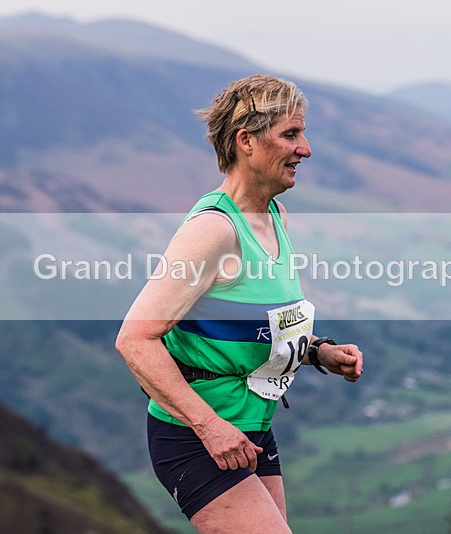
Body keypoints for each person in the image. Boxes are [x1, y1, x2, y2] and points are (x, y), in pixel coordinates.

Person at [115, 74, 363, 533]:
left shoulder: (275, 216)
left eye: (303, 134)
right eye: (290, 134)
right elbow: (135, 339)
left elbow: (251, 326)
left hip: (252, 428)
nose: (305, 149)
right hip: (199, 437)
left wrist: (318, 351)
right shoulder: (213, 231)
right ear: (246, 141)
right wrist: (210, 427)